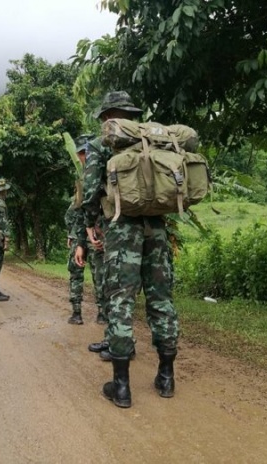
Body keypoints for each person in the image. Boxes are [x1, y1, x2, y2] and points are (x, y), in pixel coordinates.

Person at [77, 91, 180, 408]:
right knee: (161, 298)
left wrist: (90, 224)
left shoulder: (99, 145)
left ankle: (121, 387)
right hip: (158, 228)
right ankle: (166, 377)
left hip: (122, 229)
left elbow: (92, 189)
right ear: (131, 115)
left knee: (120, 299)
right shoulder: (154, 142)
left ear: (108, 116)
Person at [65, 137, 106, 325]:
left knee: (100, 274)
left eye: (86, 153)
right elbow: (78, 210)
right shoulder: (84, 178)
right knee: (78, 271)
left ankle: (101, 312)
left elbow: (85, 209)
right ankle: (77, 311)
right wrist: (76, 237)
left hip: (94, 232)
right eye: (82, 153)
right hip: (84, 232)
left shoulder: (96, 175)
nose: (84, 157)